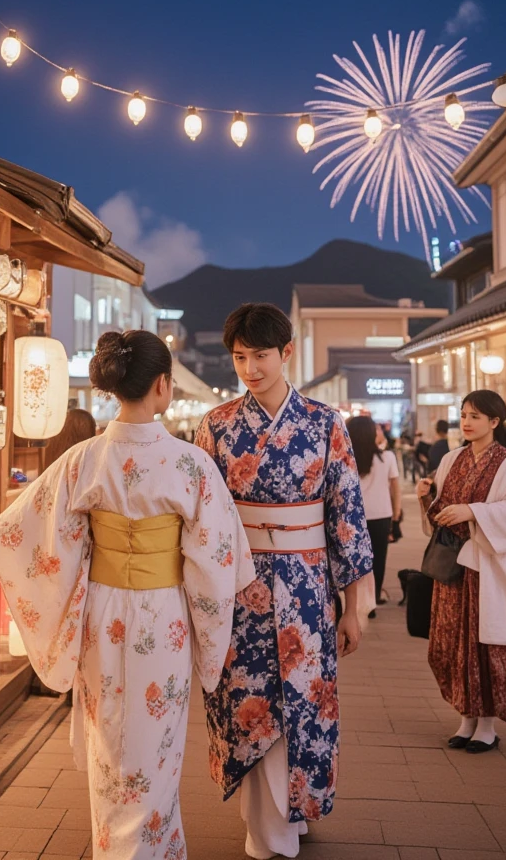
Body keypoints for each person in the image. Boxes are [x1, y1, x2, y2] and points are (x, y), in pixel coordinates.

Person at [0, 330, 255, 859]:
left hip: (103, 613)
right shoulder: (191, 464)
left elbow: (34, 518)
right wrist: (214, 634)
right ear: (163, 386)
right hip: (165, 617)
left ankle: (116, 845)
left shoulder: (84, 458)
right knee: (156, 745)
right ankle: (152, 848)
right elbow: (215, 559)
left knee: (110, 739)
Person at [195, 303, 373, 860]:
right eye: (240, 357)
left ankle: (289, 817)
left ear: (287, 353)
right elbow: (202, 518)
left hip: (307, 589)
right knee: (248, 700)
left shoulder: (325, 423)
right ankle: (267, 828)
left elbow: (347, 513)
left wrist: (355, 605)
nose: (250, 368)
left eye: (261, 355)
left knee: (303, 701)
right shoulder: (217, 425)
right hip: (240, 587)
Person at [417, 389, 506, 753]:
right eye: (463, 415)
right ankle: (465, 717)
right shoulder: (452, 458)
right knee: (452, 643)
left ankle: (487, 725)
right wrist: (428, 497)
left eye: (475, 416)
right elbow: (440, 512)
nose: (466, 422)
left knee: (485, 646)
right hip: (454, 570)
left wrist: (474, 512)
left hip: (488, 569)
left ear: (495, 422)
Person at [347, 416, 401, 618]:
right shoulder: (387, 457)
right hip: (381, 516)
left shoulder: (345, 458)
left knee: (353, 560)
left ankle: (353, 602)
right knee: (377, 561)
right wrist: (396, 517)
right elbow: (396, 489)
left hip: (351, 517)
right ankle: (372, 603)